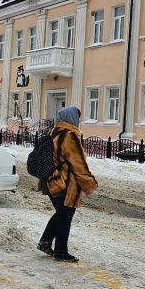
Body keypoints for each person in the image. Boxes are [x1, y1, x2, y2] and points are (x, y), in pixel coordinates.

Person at [37, 106, 97, 263]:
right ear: (71, 118)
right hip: (64, 183)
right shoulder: (69, 136)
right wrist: (88, 184)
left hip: (52, 181)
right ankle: (61, 252)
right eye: (77, 117)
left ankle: (45, 241)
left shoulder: (56, 132)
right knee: (65, 216)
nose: (79, 121)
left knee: (61, 214)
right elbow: (78, 163)